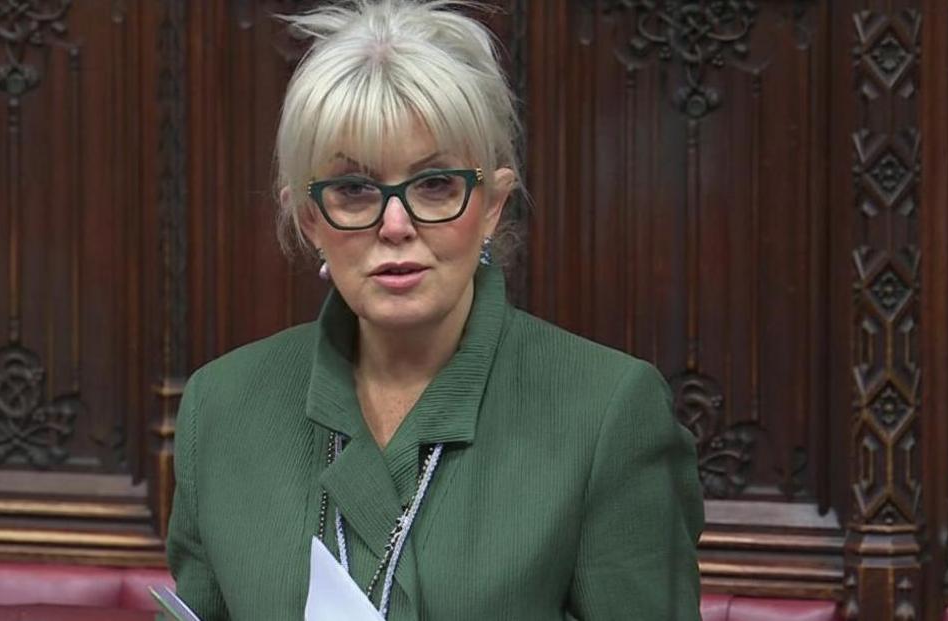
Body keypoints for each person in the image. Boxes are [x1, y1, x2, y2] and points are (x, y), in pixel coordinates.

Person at [165, 1, 704, 619]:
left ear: (492, 205)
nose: (396, 225)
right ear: (310, 218)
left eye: (435, 184)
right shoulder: (225, 407)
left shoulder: (609, 411)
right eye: (354, 190)